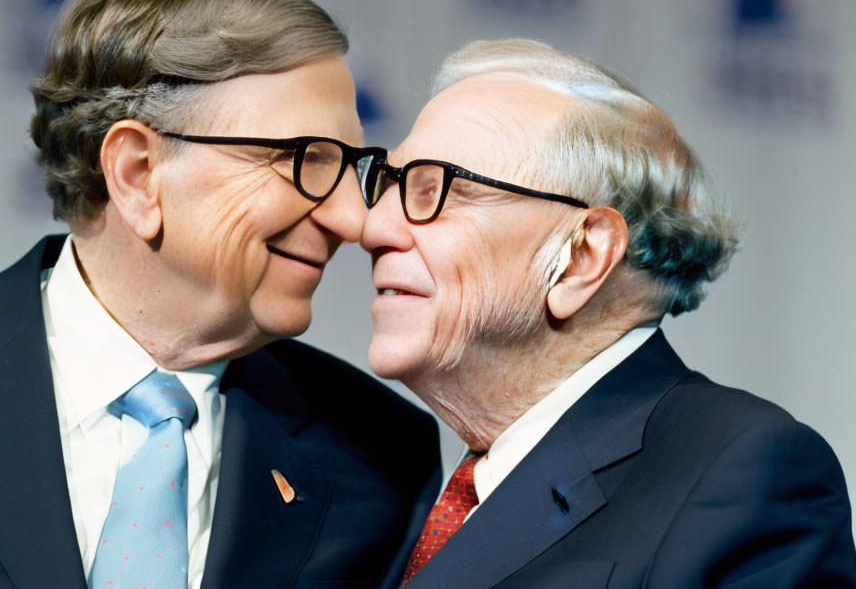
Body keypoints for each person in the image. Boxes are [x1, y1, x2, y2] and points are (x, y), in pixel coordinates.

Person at [0, 0, 440, 589]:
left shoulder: (378, 458)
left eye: (350, 170)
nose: (352, 219)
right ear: (138, 174)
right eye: (307, 160)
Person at [359, 39, 856, 588]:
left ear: (581, 258)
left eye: (436, 190)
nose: (373, 229)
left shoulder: (743, 474)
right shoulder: (379, 486)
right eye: (389, 185)